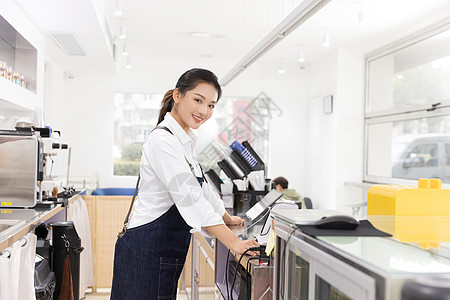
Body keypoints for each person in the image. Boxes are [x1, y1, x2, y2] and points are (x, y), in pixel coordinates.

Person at [110, 68, 259, 299]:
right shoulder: (163, 141)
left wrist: (226, 218)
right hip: (146, 250)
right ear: (178, 96)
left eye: (211, 105)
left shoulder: (183, 140)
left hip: (159, 251)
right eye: (198, 100)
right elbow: (190, 198)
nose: (204, 110)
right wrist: (234, 244)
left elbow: (202, 188)